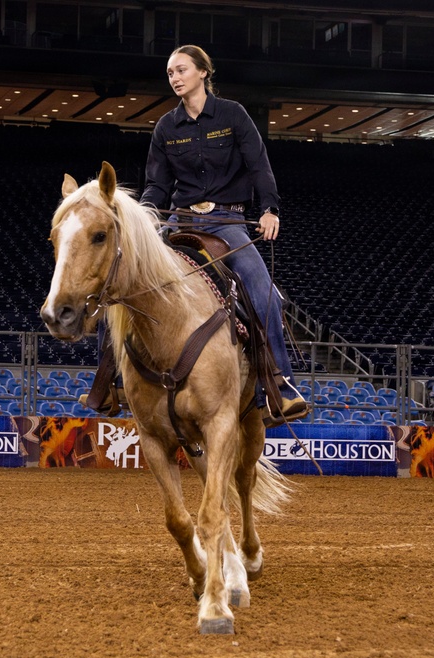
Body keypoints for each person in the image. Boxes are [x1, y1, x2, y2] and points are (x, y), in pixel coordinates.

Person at [139, 44, 308, 427]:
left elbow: (259, 166)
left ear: (202, 72)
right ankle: (109, 384)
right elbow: (156, 185)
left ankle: (281, 389)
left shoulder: (233, 115)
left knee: (266, 295)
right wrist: (147, 218)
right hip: (179, 221)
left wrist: (270, 209)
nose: (175, 78)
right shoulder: (166, 127)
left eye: (181, 70)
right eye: (170, 73)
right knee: (126, 279)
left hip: (228, 223)